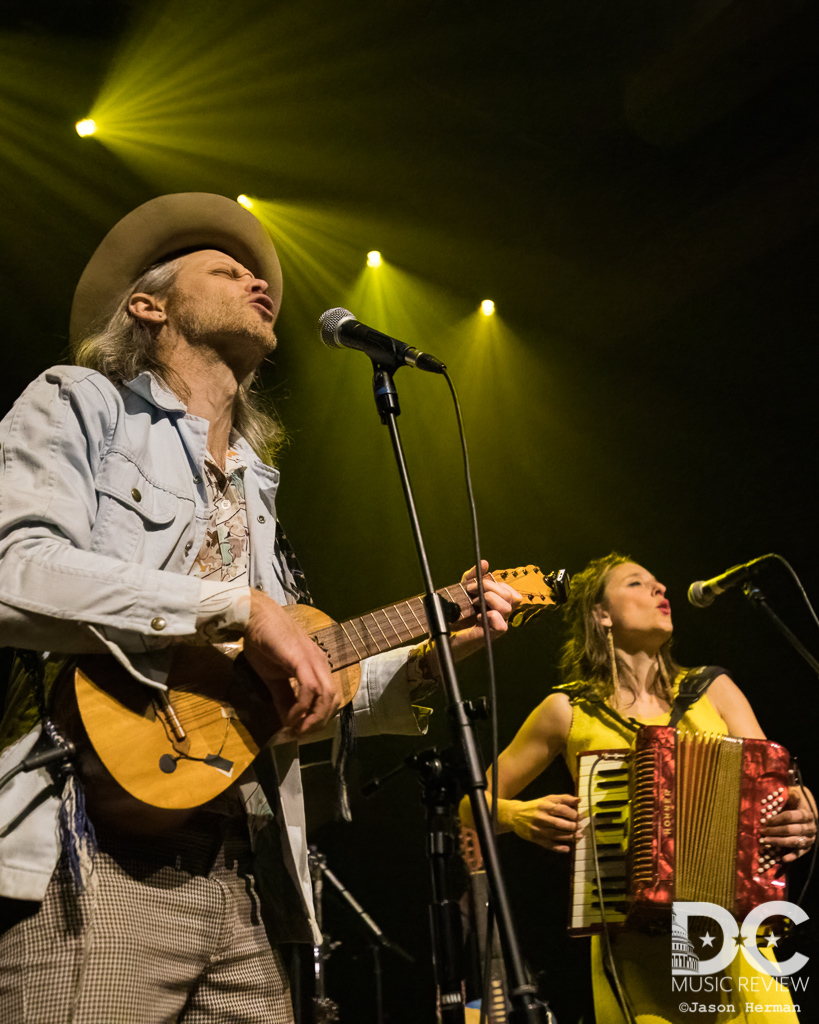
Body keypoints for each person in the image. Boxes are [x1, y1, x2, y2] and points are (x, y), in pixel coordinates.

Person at [0, 192, 522, 1023]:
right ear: (150, 304)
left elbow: (271, 700)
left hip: (243, 874)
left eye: (258, 272)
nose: (257, 281)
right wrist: (234, 608)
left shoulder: (257, 487)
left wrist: (426, 658)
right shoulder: (79, 401)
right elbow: (13, 571)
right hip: (88, 858)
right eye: (226, 269)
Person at [462, 552, 817, 1024]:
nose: (660, 590)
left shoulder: (713, 689)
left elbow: (781, 782)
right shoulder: (567, 709)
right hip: (634, 943)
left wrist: (805, 811)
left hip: (735, 934)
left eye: (658, 583)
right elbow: (468, 803)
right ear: (600, 614)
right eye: (637, 583)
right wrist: (516, 816)